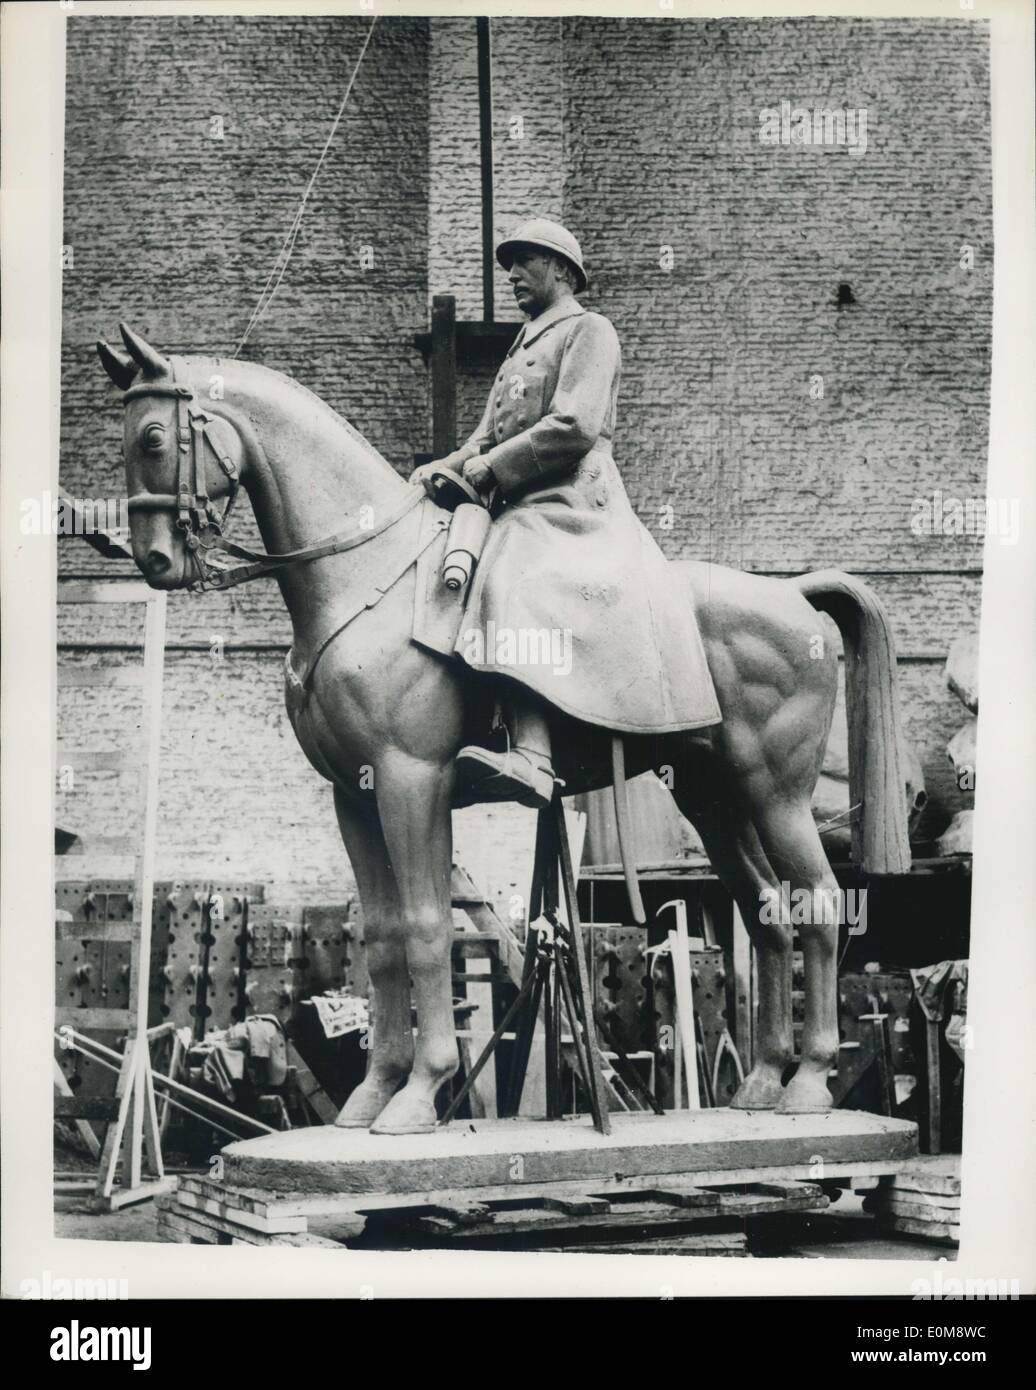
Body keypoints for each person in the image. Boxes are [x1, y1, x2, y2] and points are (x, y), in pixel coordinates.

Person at [413, 218, 720, 808]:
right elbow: (484, 436)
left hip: (573, 499)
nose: (512, 275)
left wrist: (493, 468)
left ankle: (533, 756)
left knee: (513, 571)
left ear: (561, 269)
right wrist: (441, 467)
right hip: (524, 498)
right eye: (509, 264)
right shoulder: (521, 347)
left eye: (524, 261)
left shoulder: (589, 330)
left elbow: (574, 425)